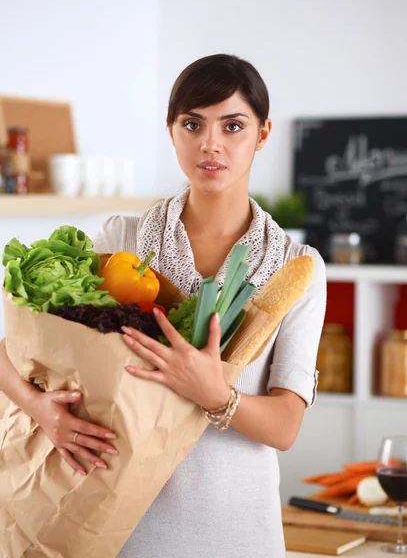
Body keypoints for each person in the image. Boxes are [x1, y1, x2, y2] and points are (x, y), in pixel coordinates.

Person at [0, 54, 326, 557]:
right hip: (121, 528)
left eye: (233, 125)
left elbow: (285, 426)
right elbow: (16, 349)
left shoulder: (295, 266)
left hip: (239, 535)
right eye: (192, 123)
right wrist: (41, 409)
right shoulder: (122, 239)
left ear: (262, 134)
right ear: (171, 131)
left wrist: (216, 393)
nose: (210, 143)